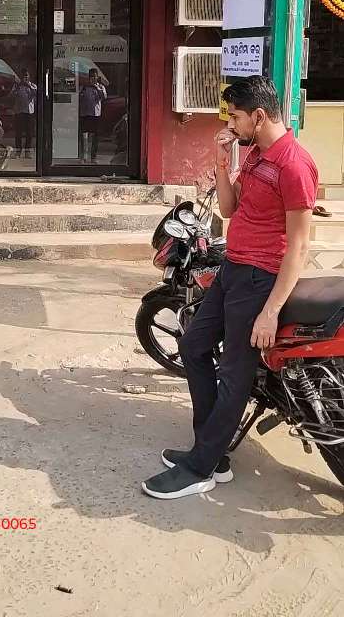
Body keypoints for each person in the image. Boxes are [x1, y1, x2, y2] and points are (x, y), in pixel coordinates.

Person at [142, 76, 318, 500]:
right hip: (233, 268)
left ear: (258, 116)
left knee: (235, 375)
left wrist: (270, 311)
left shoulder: (294, 164)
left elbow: (299, 246)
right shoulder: (256, 154)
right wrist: (223, 161)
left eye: (235, 117)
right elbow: (228, 208)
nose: (230, 124)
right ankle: (212, 452)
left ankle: (200, 467)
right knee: (192, 346)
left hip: (261, 279)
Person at [79, 68, 107, 163]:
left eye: (95, 77)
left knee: (95, 136)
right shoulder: (84, 87)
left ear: (97, 77)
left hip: (95, 114)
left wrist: (97, 88)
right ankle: (83, 157)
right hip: (84, 113)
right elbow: (78, 97)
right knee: (84, 136)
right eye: (91, 77)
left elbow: (104, 97)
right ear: (89, 78)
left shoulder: (101, 87)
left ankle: (93, 157)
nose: (93, 79)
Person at [10, 70, 37, 159]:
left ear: (29, 76)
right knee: (18, 133)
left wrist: (28, 86)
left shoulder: (33, 86)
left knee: (29, 133)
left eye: (26, 75)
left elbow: (35, 94)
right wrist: (17, 87)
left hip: (29, 112)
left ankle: (27, 152)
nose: (24, 77)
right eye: (23, 76)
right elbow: (12, 95)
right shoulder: (17, 86)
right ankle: (18, 152)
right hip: (19, 112)